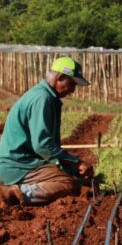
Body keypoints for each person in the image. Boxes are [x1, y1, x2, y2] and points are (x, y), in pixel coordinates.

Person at [0, 57, 94, 207]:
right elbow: (43, 146)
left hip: (23, 160)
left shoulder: (44, 95)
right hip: (16, 165)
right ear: (61, 78)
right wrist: (76, 162)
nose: (72, 90)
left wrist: (71, 167)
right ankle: (13, 193)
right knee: (69, 184)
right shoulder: (42, 99)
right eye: (72, 84)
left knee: (72, 178)